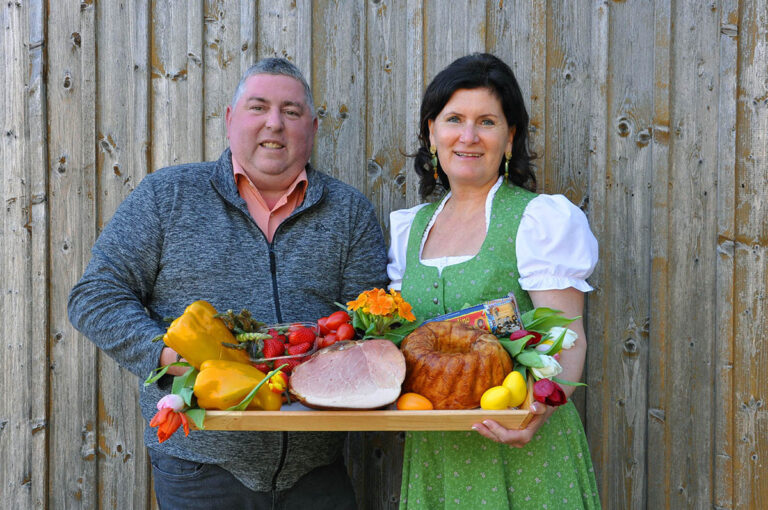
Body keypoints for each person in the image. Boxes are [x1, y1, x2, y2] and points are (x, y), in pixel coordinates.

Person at [68, 58, 388, 509]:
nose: (274, 124)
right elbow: (95, 296)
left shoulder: (349, 212)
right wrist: (166, 356)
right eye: (258, 107)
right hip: (201, 467)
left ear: (313, 128)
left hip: (317, 469)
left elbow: (368, 323)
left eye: (291, 112)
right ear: (230, 119)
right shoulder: (168, 197)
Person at [387, 53, 601, 508]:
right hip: (437, 450)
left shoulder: (538, 219)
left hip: (524, 446)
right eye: (454, 120)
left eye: (486, 121)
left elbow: (567, 337)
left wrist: (538, 417)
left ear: (510, 138)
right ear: (431, 133)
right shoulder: (410, 228)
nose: (468, 136)